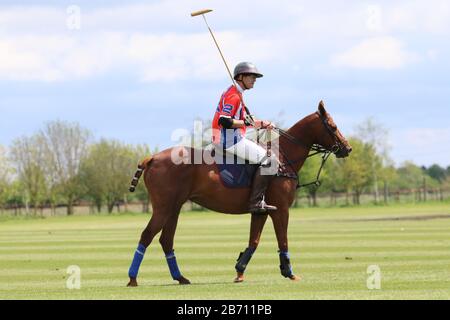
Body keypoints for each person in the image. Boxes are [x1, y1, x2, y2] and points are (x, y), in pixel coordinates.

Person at [212, 62, 278, 214]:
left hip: (232, 138)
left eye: (255, 77)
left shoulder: (236, 93)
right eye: (251, 76)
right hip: (229, 141)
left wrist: (261, 123)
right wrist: (246, 122)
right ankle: (255, 202)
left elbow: (243, 122)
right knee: (270, 161)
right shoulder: (233, 96)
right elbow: (224, 120)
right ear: (240, 77)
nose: (254, 79)